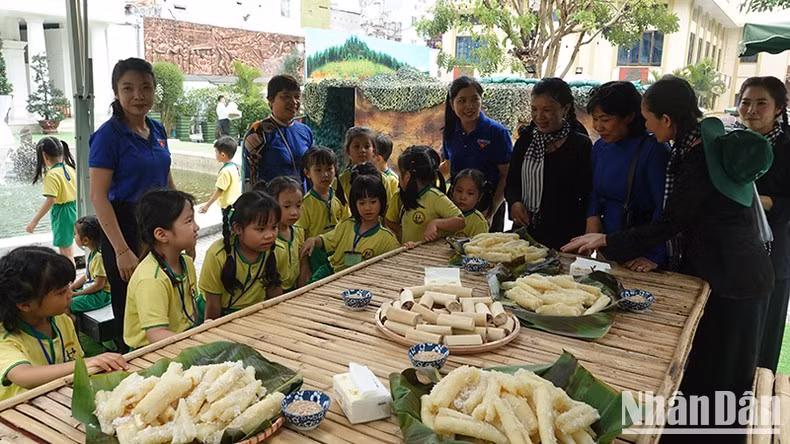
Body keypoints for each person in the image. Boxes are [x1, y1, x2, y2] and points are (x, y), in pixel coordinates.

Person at [563, 76, 774, 439]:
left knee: (724, 375)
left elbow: (670, 222)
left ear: (666, 119)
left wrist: (608, 239)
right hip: (720, 271)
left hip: (735, 279)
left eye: (648, 120)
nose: (646, 128)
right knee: (703, 366)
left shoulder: (699, 157)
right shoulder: (692, 145)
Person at [89, 58, 174, 341]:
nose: (138, 95)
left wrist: (182, 222)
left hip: (159, 223)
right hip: (124, 226)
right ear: (116, 92)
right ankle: (131, 358)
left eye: (145, 87)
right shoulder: (107, 136)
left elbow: (166, 176)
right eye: (128, 88)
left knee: (163, 290)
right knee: (131, 301)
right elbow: (98, 196)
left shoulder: (157, 130)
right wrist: (121, 250)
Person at [0, 247, 127, 401]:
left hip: (59, 397)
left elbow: (75, 359)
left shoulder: (62, 320)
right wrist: (87, 362)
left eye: (68, 287)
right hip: (22, 408)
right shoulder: (5, 337)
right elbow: (24, 376)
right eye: (61, 292)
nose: (70, 294)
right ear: (25, 304)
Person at [585, 81, 670, 272]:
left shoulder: (654, 149)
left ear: (629, 116)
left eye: (605, 119)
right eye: (595, 119)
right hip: (608, 246)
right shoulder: (600, 147)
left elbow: (664, 209)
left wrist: (654, 256)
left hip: (641, 252)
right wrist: (592, 218)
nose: (598, 126)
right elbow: (595, 191)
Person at [737, 76, 790, 372]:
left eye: (761, 103)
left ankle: (757, 388)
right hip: (734, 250)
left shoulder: (787, 147)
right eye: (745, 102)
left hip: (774, 252)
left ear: (779, 108)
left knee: (764, 333)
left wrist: (764, 201)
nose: (751, 110)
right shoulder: (731, 143)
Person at [506, 77, 592, 250]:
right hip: (526, 234)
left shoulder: (580, 145)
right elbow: (512, 182)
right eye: (534, 109)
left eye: (547, 110)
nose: (539, 116)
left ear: (565, 108)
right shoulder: (525, 141)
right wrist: (515, 202)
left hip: (566, 237)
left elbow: (588, 194)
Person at [123, 190, 200, 350]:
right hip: (151, 352)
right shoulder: (151, 279)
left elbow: (193, 311)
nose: (196, 227)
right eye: (189, 221)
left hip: (182, 342)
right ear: (161, 234)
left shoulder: (186, 263)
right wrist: (198, 345)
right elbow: (156, 335)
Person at [441, 76, 512, 232]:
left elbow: (506, 175)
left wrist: (492, 210)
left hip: (488, 206)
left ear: (481, 100)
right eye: (462, 101)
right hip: (457, 207)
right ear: (452, 104)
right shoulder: (450, 132)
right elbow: (447, 166)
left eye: (474, 99)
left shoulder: (497, 132)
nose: (469, 106)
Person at [301, 166, 399, 275]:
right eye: (362, 203)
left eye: (373, 202)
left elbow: (398, 259)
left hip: (362, 280)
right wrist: (313, 240)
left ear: (382, 201)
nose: (367, 208)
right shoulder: (346, 225)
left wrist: (408, 247)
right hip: (331, 273)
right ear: (354, 204)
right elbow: (326, 240)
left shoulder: (387, 239)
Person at [199, 191, 281, 320]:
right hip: (218, 316)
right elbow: (212, 304)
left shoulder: (277, 250)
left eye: (274, 227)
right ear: (237, 229)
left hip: (255, 314)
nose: (269, 235)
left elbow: (275, 294)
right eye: (260, 229)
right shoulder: (217, 255)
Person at [242, 75, 313, 190]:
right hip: (270, 200)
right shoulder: (257, 133)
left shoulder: (305, 131)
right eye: (286, 97)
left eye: (297, 97)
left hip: (303, 200)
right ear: (271, 100)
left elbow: (312, 172)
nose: (294, 102)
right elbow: (250, 180)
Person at [386, 145, 464, 243]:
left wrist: (435, 223)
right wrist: (403, 234)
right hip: (409, 251)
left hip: (431, 251)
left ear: (407, 176)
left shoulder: (434, 197)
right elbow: (390, 221)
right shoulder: (400, 195)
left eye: (400, 173)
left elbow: (460, 221)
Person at [26, 137, 77, 263]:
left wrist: (34, 221)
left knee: (66, 254)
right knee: (69, 252)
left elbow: (51, 200)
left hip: (62, 215)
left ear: (44, 155)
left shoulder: (52, 174)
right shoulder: (70, 169)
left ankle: (69, 276)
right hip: (74, 209)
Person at [335, 127, 398, 209]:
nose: (362, 150)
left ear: (374, 151)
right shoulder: (342, 180)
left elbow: (388, 209)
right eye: (357, 146)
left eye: (367, 146)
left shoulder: (383, 180)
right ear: (348, 151)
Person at [266, 176, 310, 293]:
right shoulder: (268, 238)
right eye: (286, 206)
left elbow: (303, 264)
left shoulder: (299, 232)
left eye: (298, 206)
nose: (294, 212)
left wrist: (300, 292)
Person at [68, 216, 112, 322]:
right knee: (65, 297)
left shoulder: (99, 257)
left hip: (101, 295)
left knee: (67, 304)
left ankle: (73, 326)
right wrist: (73, 287)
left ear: (86, 240)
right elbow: (87, 276)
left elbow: (99, 285)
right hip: (94, 289)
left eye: (76, 234)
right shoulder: (93, 253)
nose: (74, 236)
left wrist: (76, 294)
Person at [198, 136, 241, 214]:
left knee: (227, 221)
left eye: (216, 152)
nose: (215, 154)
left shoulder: (224, 171)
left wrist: (207, 205)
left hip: (227, 207)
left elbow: (219, 191)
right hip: (236, 204)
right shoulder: (234, 167)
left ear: (223, 155)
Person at [450, 168, 489, 238]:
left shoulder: (479, 223)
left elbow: (479, 243)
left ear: (479, 197)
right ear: (452, 191)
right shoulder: (442, 212)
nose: (463, 197)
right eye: (459, 191)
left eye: (470, 193)